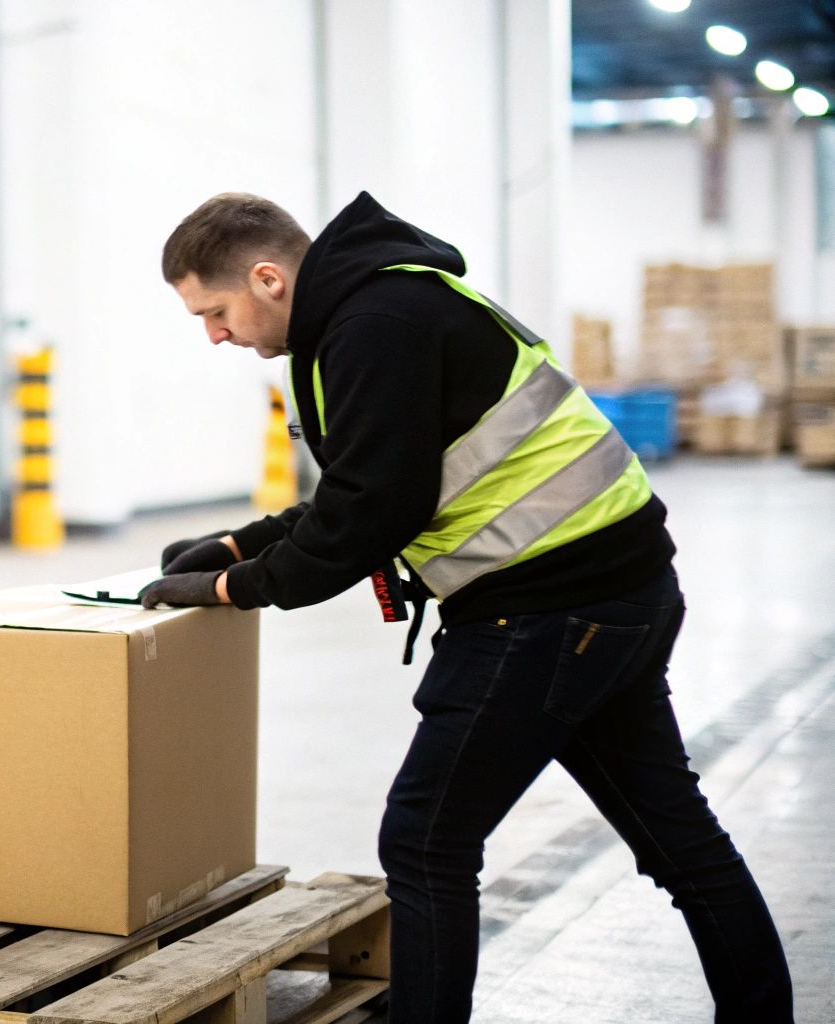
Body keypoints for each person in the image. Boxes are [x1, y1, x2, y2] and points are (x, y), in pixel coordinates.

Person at [140, 192, 794, 1023]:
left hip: (549, 612)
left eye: (215, 311)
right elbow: (378, 480)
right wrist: (239, 545)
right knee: (678, 840)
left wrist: (235, 587)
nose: (215, 335)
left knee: (425, 839)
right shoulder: (389, 300)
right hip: (616, 593)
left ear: (266, 278)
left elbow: (375, 513)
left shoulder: (375, 324)